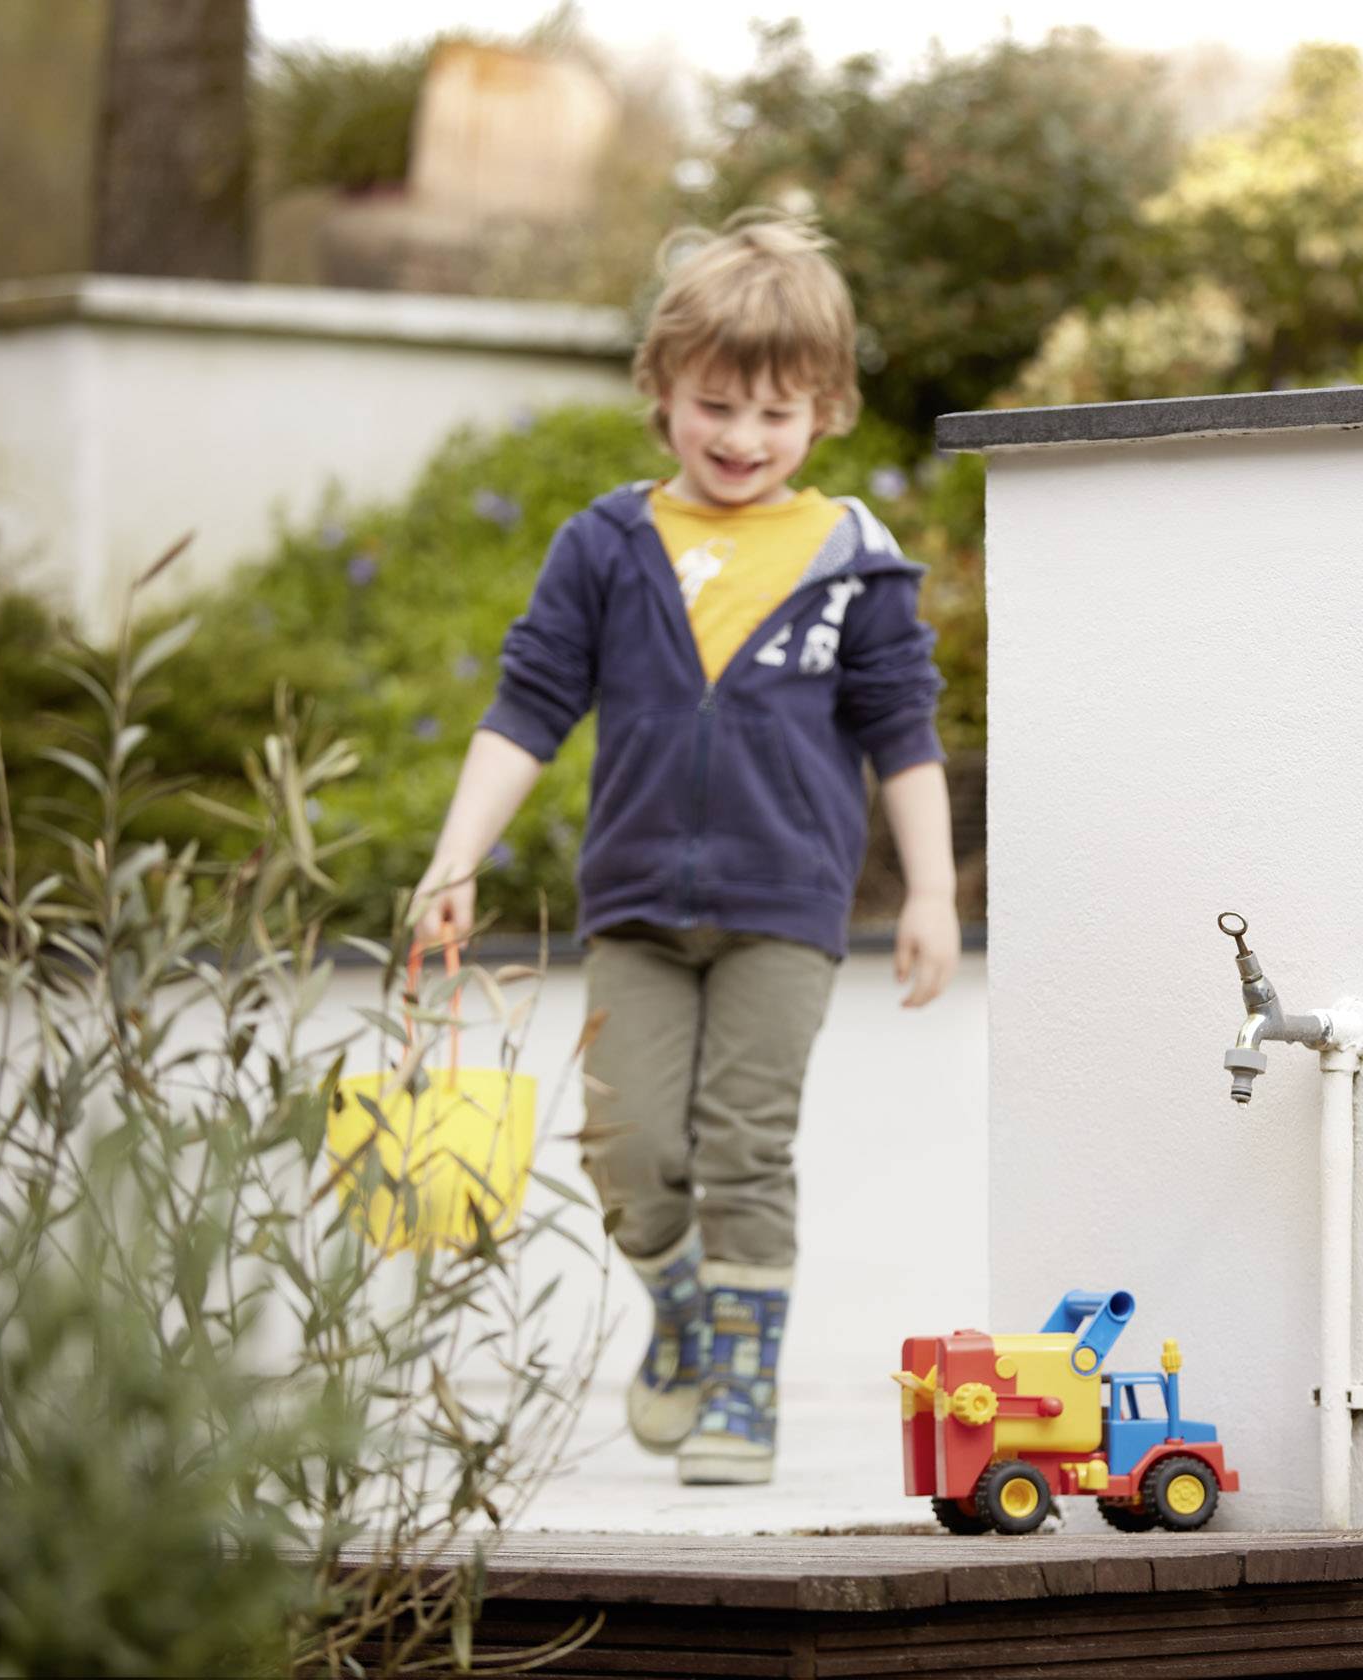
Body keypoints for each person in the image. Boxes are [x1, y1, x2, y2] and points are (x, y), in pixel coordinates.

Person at [410, 212, 959, 1486]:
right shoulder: (605, 548)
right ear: (660, 392)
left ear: (825, 411)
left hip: (784, 910)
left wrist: (929, 888)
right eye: (716, 405)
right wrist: (454, 858)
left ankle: (743, 1390)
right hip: (638, 909)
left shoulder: (850, 561)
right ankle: (684, 1316)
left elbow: (902, 732)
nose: (741, 439)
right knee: (630, 1153)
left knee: (742, 1148)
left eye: (776, 414)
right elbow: (527, 706)